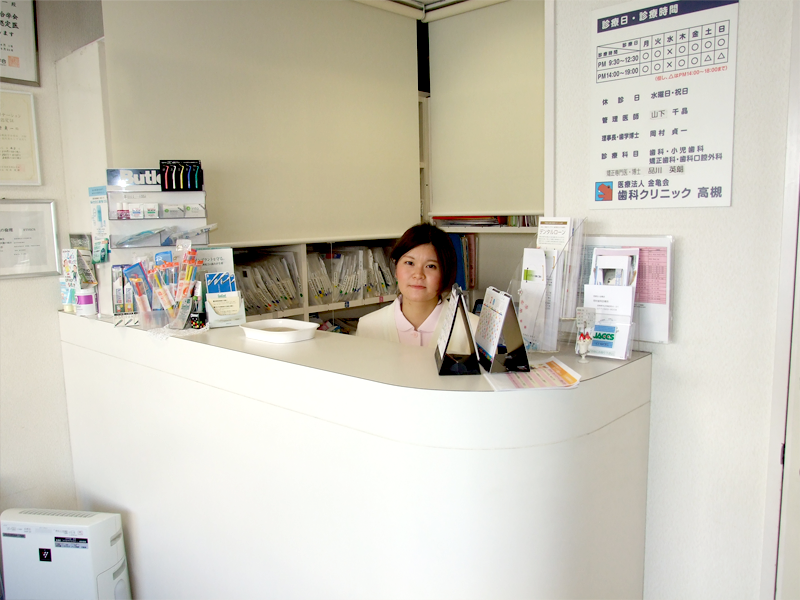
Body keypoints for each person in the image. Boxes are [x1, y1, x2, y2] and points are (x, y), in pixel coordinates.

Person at [356, 223, 478, 350]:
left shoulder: (472, 329)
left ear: (445, 273)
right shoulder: (368, 327)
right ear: (396, 269)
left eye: (431, 266)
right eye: (410, 263)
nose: (418, 275)